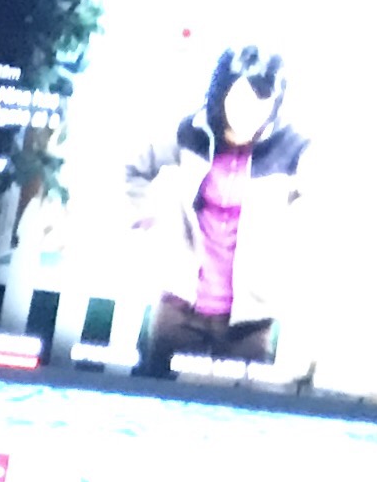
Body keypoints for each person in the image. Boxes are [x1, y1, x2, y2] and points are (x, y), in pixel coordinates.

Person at [124, 46, 311, 385]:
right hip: (180, 306)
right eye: (240, 99)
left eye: (261, 102)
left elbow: (324, 203)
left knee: (241, 410)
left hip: (250, 319)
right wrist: (147, 215)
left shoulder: (294, 148)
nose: (249, 112)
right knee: (155, 397)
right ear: (222, 93)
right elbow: (133, 170)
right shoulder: (190, 132)